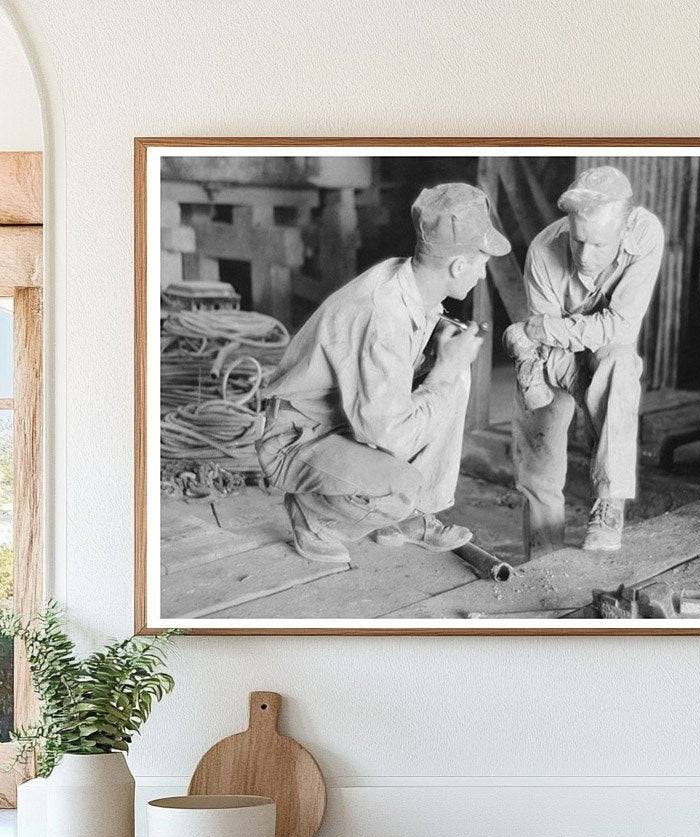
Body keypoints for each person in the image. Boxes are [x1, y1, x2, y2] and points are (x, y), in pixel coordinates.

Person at [256, 182, 510, 566]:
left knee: (456, 377)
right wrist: (442, 369)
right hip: (297, 437)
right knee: (400, 486)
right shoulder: (382, 314)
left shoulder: (410, 281)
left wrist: (440, 354)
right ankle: (314, 516)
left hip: (340, 420)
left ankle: (410, 519)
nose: (481, 272)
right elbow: (390, 435)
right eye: (482, 261)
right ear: (458, 265)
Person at [507, 165, 665, 556]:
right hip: (553, 358)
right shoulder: (545, 250)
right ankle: (543, 558)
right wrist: (537, 341)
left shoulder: (645, 234)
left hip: (595, 346)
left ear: (624, 229)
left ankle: (609, 504)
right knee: (539, 458)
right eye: (578, 241)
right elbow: (542, 348)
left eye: (598, 245)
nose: (584, 255)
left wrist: (544, 329)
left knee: (620, 364)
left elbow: (622, 328)